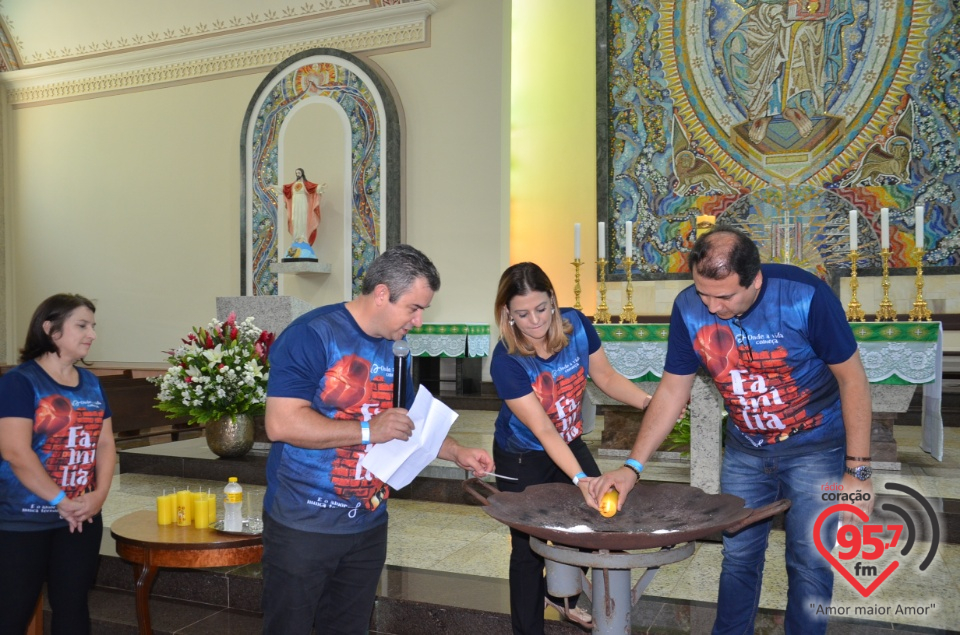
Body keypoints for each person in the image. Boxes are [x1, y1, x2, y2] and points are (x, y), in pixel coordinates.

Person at [589, 227, 873, 635]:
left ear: (754, 279)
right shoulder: (689, 308)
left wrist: (858, 471)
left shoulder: (804, 296)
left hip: (815, 448)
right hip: (745, 451)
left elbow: (854, 380)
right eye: (703, 293)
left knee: (809, 559)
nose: (712, 305)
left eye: (724, 296)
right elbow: (672, 391)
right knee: (738, 556)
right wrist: (632, 467)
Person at [260, 244, 495, 635]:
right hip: (304, 525)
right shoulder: (312, 335)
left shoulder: (395, 349)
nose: (418, 321)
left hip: (366, 525)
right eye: (414, 308)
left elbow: (406, 421)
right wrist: (369, 431)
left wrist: (457, 452)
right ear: (383, 294)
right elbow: (281, 424)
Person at [490, 262, 654, 634]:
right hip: (522, 456)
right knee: (528, 548)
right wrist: (580, 478)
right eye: (522, 314)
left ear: (553, 300)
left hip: (568, 440)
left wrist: (650, 403)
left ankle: (561, 595)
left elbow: (607, 377)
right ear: (507, 314)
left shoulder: (576, 326)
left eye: (542, 308)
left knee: (598, 523)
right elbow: (544, 431)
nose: (534, 321)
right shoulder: (506, 361)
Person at [0, 293, 116, 635]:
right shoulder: (19, 382)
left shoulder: (92, 383)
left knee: (73, 609)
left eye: (93, 326)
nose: (92, 334)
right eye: (82, 325)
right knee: (12, 613)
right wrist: (61, 501)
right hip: (23, 521)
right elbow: (15, 453)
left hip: (80, 518)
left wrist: (98, 496)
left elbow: (106, 443)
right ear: (50, 329)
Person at [281, 167, 323, 259]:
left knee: (302, 219)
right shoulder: (293, 185)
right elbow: (284, 189)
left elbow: (314, 187)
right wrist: (273, 187)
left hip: (303, 203)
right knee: (294, 219)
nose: (297, 174)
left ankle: (303, 238)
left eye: (299, 172)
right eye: (296, 173)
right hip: (295, 204)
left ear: (302, 173)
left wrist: (320, 187)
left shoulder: (305, 184)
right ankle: (296, 237)